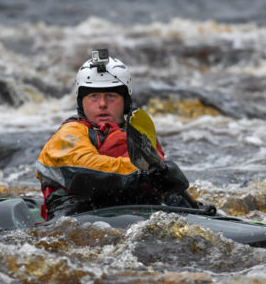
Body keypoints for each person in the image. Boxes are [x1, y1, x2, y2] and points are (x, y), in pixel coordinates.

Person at [35, 49, 190, 220]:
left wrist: (168, 180)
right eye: (94, 96)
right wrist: (144, 174)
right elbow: (85, 170)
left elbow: (158, 185)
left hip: (134, 215)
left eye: (111, 96)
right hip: (78, 217)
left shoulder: (137, 134)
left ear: (125, 102)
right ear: (81, 102)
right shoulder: (69, 133)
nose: (102, 104)